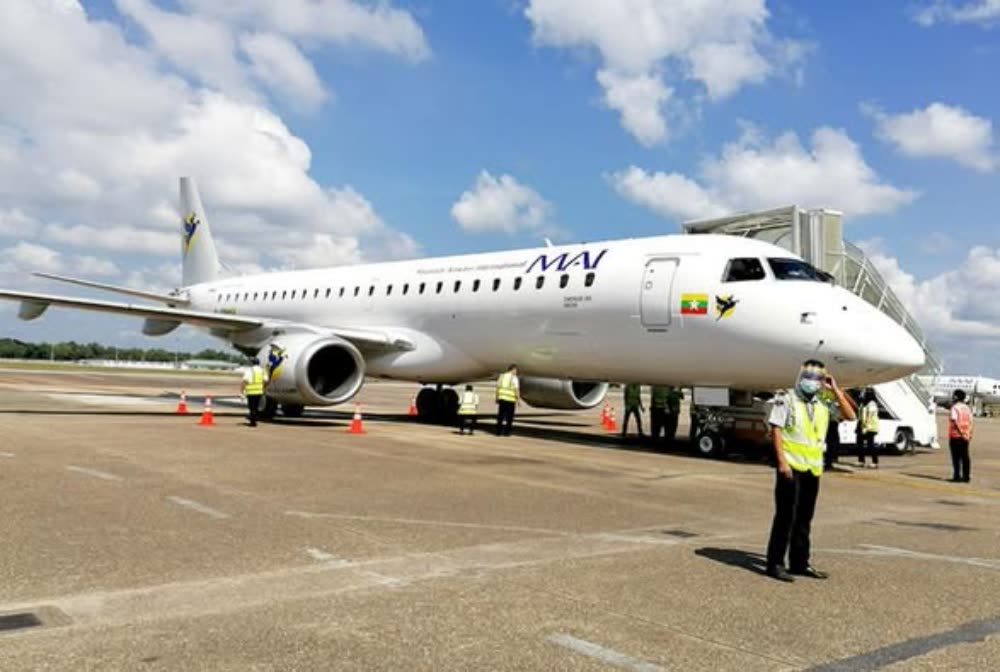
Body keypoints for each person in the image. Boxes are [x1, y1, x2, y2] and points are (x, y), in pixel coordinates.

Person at [765, 360, 856, 582]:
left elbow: (851, 416)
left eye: (817, 378)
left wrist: (836, 391)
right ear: (800, 376)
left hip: (812, 468)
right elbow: (776, 430)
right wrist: (782, 463)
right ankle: (775, 563)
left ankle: (800, 563)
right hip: (790, 466)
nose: (812, 381)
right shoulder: (787, 399)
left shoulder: (822, 402)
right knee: (785, 516)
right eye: (808, 376)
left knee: (804, 517)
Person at [948, 390, 974, 482]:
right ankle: (966, 477)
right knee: (965, 457)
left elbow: (955, 421)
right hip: (966, 436)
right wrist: (969, 434)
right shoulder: (967, 408)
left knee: (956, 458)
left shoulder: (955, 408)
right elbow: (970, 422)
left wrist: (961, 433)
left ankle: (957, 476)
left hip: (956, 436)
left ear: (956, 397)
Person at [241, 357, 268, 427]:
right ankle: (254, 419)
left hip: (251, 392)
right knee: (256, 407)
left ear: (252, 363)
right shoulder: (262, 371)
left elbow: (244, 381)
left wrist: (242, 391)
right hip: (259, 392)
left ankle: (253, 422)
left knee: (251, 407)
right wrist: (263, 387)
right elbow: (266, 380)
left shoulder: (250, 370)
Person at [858, 388, 880, 469]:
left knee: (870, 445)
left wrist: (865, 427)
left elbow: (869, 416)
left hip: (870, 427)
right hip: (863, 425)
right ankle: (861, 461)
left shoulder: (872, 403)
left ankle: (875, 462)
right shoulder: (864, 403)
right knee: (860, 443)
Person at [495, 364, 519, 436]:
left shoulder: (502, 376)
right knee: (509, 417)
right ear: (513, 369)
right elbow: (516, 389)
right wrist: (518, 399)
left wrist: (496, 397)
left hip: (502, 399)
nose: (516, 372)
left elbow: (498, 388)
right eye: (516, 370)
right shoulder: (514, 378)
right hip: (510, 400)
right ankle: (507, 432)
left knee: (500, 416)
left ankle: (498, 432)